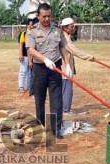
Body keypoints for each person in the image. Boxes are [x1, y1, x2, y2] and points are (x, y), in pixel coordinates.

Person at [26, 3, 69, 139]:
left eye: (49, 16)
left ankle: (55, 129)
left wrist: (67, 64)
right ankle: (41, 127)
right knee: (40, 99)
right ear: (38, 16)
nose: (46, 19)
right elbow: (30, 50)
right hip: (40, 68)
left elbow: (62, 47)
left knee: (56, 99)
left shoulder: (58, 30)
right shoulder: (32, 32)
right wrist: (44, 59)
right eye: (44, 16)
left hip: (55, 67)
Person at [60, 17, 95, 114]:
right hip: (64, 68)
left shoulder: (67, 36)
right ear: (65, 28)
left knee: (67, 89)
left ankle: (66, 109)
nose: (73, 28)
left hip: (68, 67)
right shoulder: (64, 39)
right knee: (66, 90)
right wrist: (89, 57)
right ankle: (65, 110)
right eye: (71, 27)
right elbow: (75, 51)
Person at [17, 18, 35, 95]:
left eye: (33, 24)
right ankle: (21, 86)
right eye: (31, 24)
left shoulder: (34, 33)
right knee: (23, 71)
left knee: (29, 73)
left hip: (32, 56)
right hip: (24, 56)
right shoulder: (24, 34)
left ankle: (28, 86)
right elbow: (21, 44)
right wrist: (20, 54)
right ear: (27, 25)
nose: (32, 26)